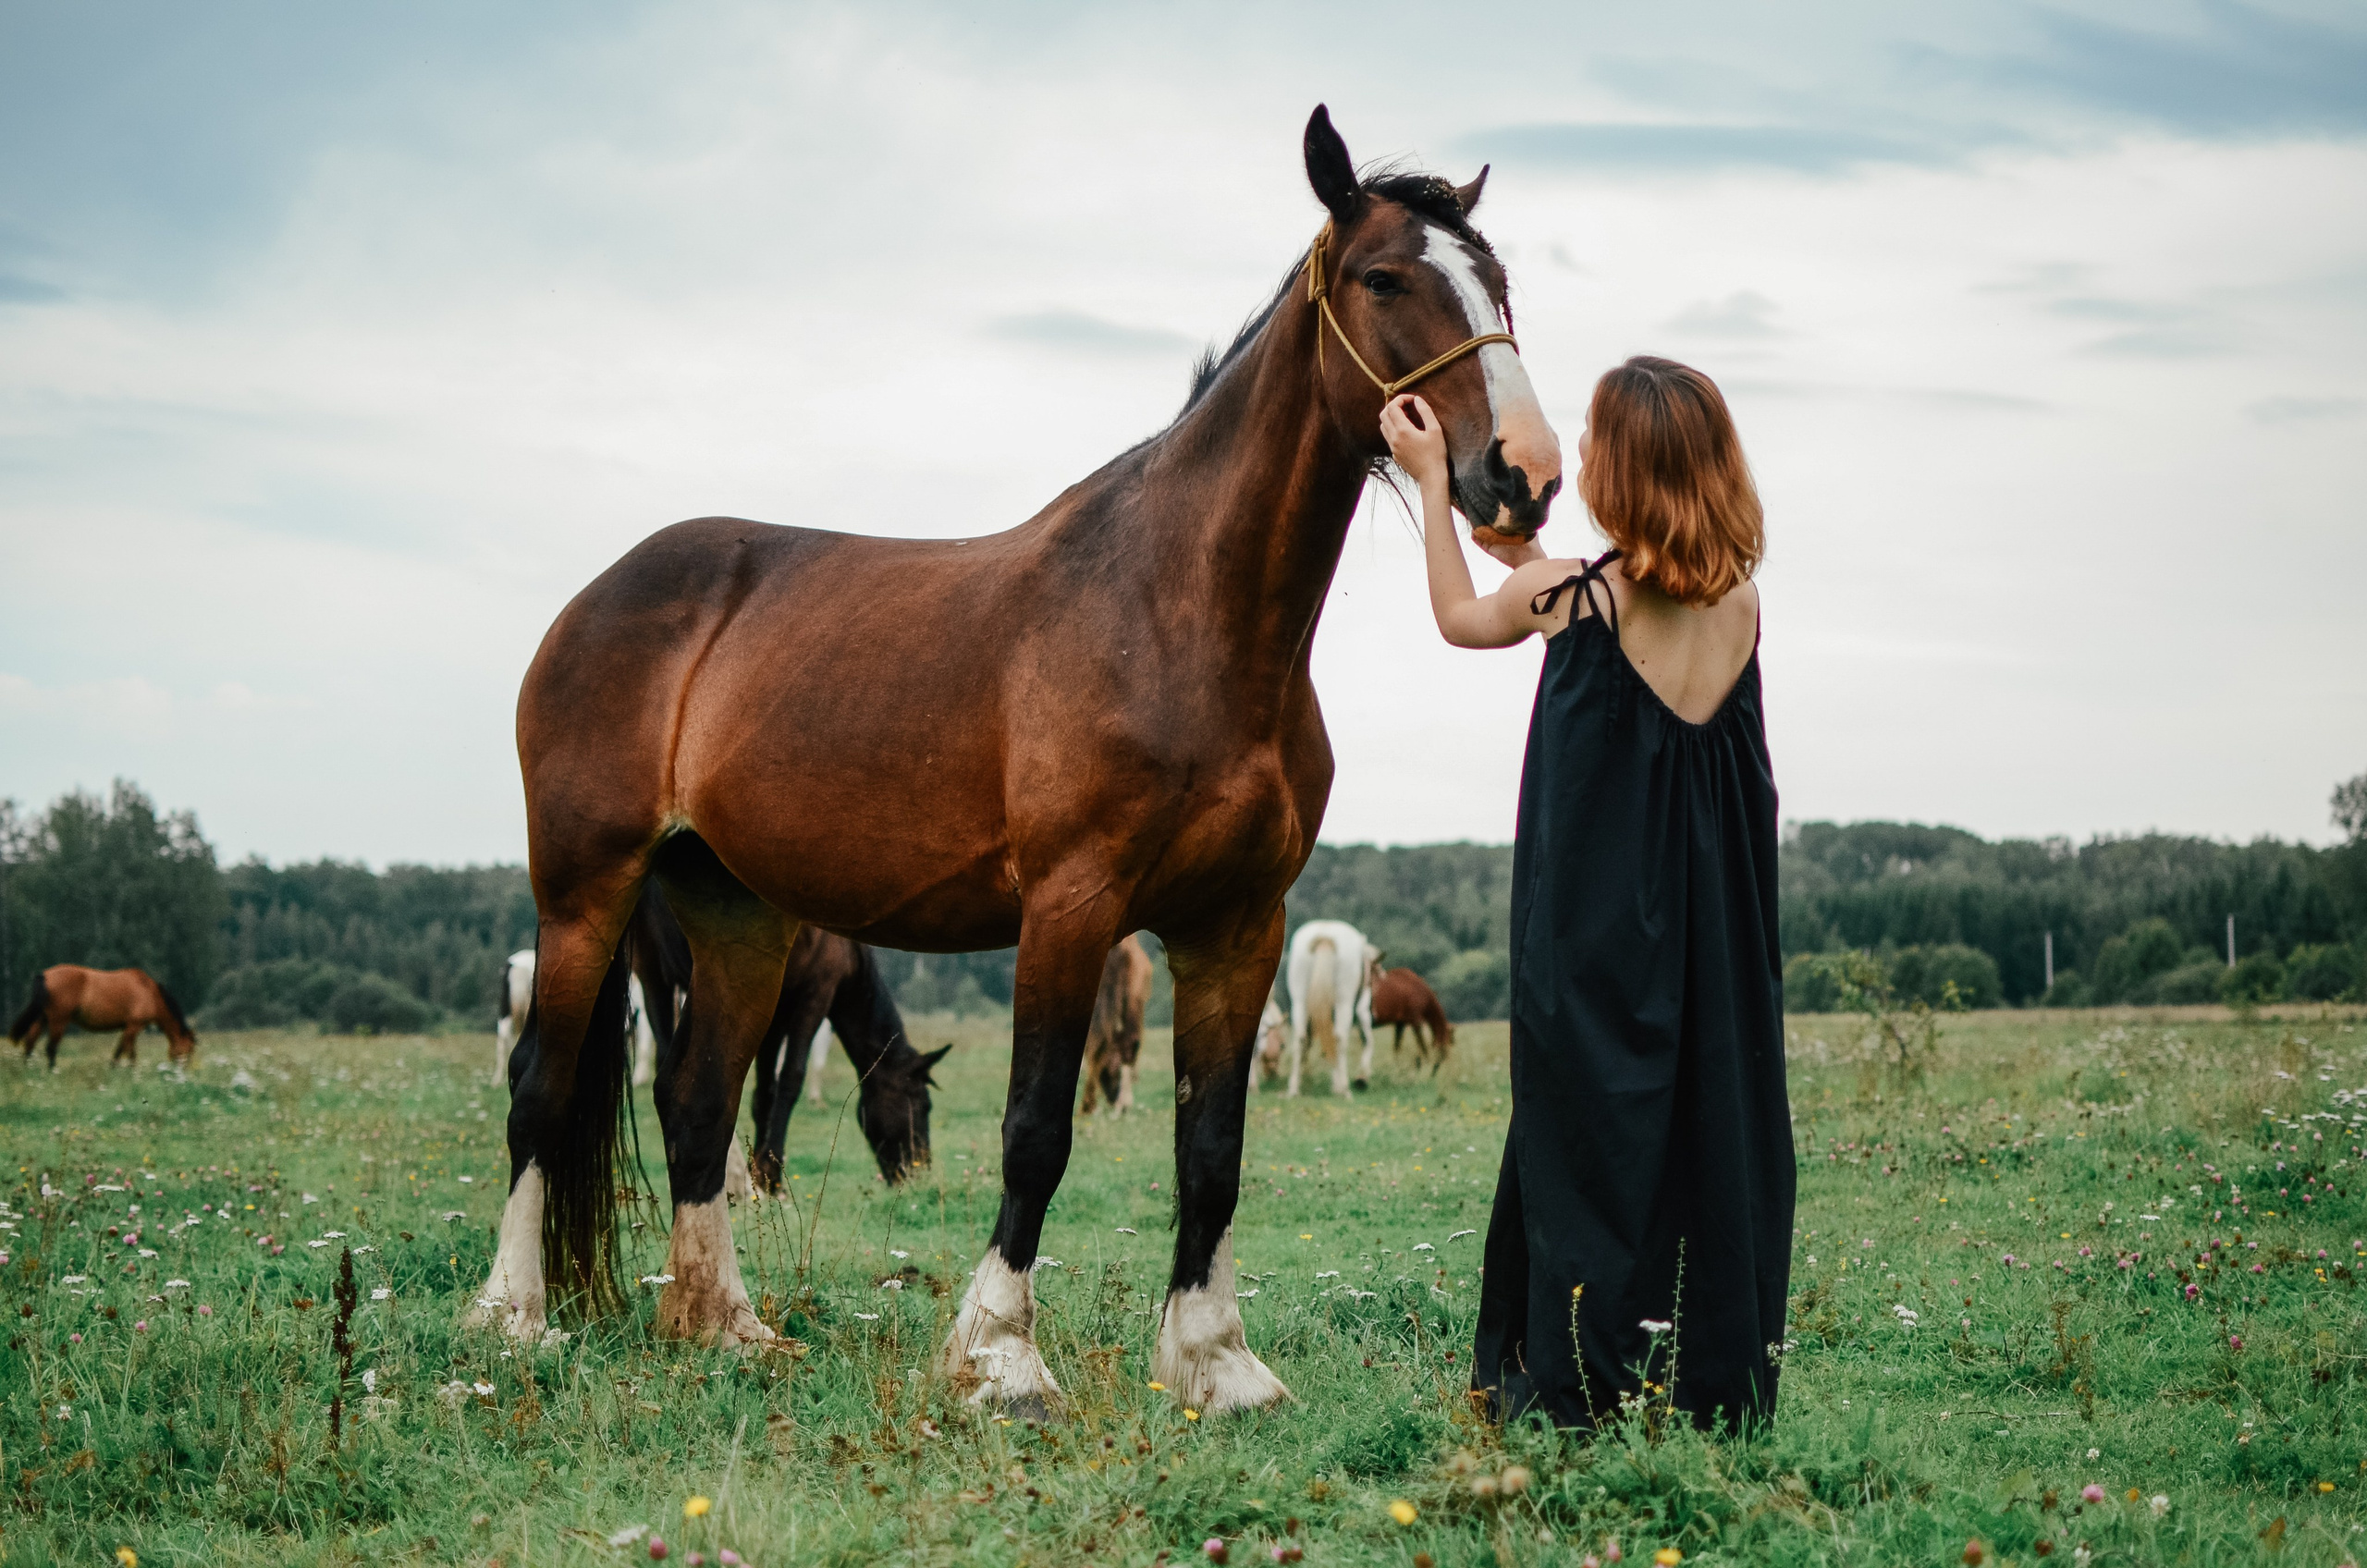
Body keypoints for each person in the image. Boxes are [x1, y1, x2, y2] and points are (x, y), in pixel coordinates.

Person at [1380, 355, 1792, 1434]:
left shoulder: (1571, 598)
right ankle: (1700, 1381)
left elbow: (1464, 617)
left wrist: (1429, 479)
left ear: (1620, 471)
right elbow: (1577, 585)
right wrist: (1525, 554)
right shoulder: (1740, 611)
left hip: (1594, 941)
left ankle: (1578, 1379)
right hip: (1708, 943)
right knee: (1704, 1134)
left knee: (1585, 1142)